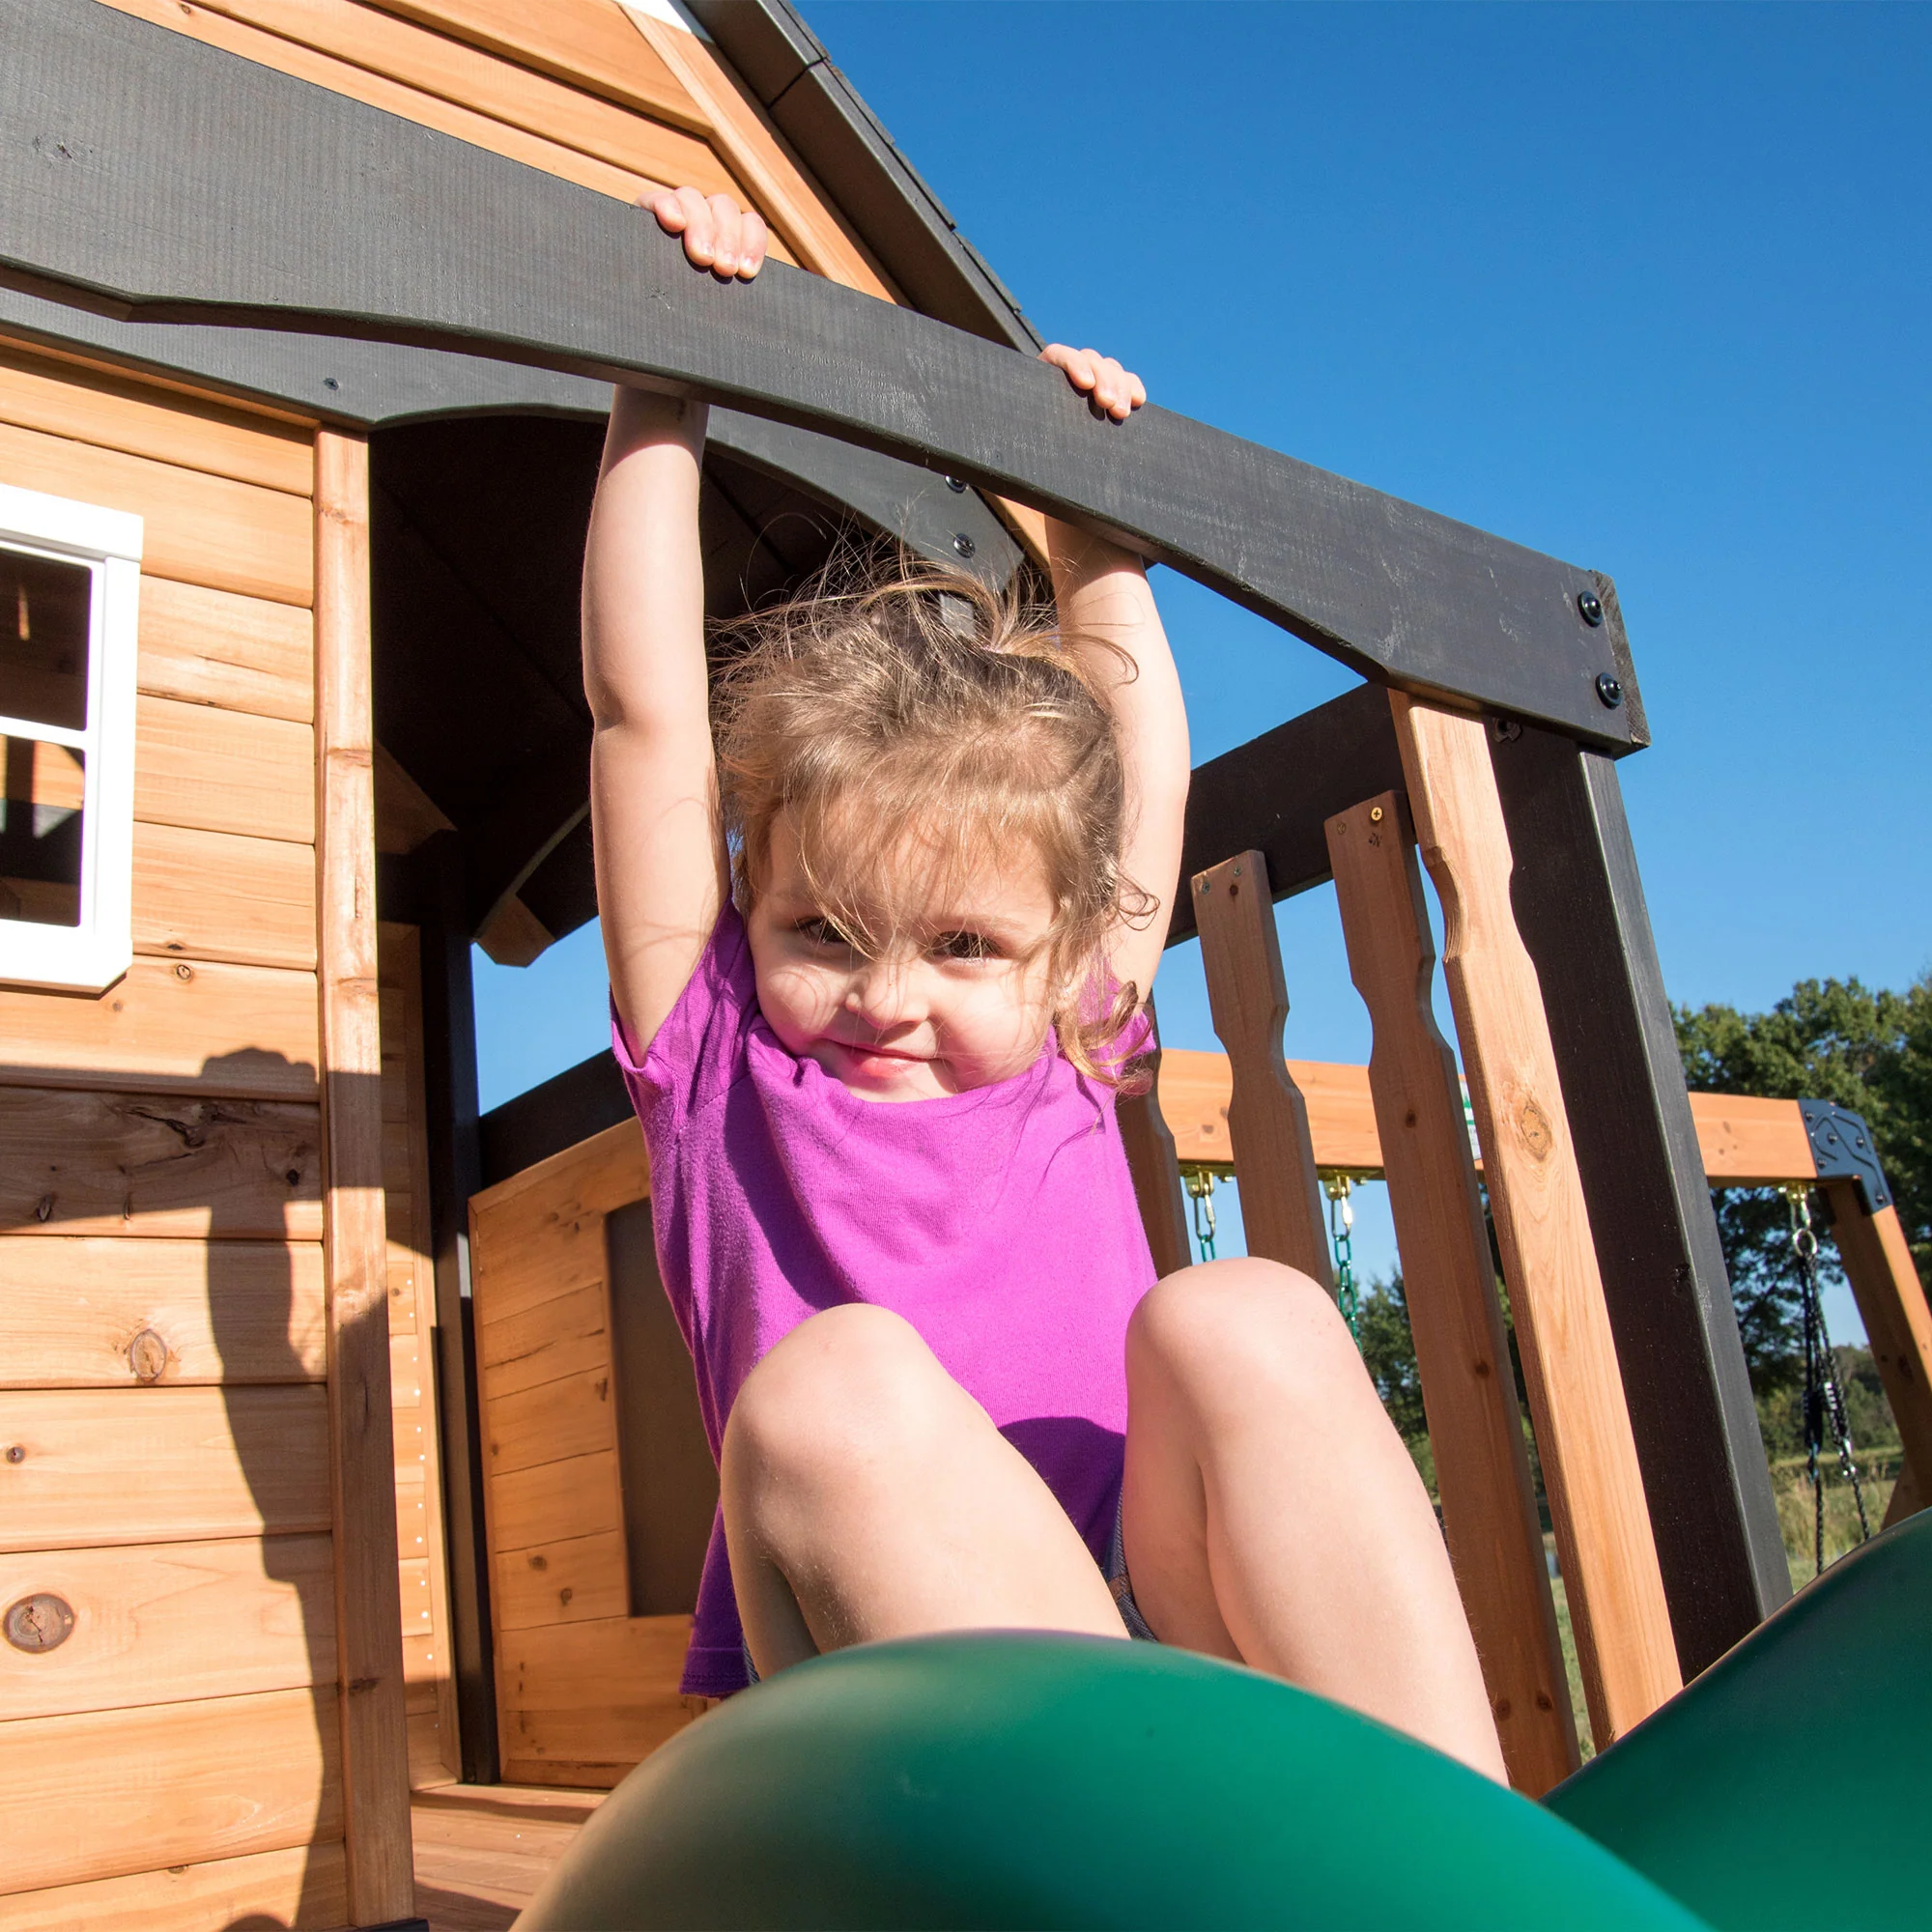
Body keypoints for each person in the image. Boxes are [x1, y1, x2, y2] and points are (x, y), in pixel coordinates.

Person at [584, 185, 1505, 1780]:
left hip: (1155, 1618)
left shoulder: (1071, 1033)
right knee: (831, 1385)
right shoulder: (715, 1052)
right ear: (752, 913)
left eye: (960, 945)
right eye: (823, 933)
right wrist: (663, 380)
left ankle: (1458, 1860)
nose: (887, 995)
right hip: (881, 1671)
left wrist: (1093, 541)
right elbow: (643, 720)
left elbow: (1143, 761)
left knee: (1246, 1313)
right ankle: (1136, 1843)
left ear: (1069, 950)